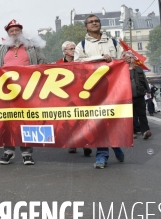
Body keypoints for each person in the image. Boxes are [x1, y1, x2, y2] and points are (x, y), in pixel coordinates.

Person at [0, 20, 45, 166]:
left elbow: (43, 63)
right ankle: (8, 151)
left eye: (16, 30)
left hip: (27, 89)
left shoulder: (32, 46)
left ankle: (27, 153)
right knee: (8, 121)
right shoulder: (2, 48)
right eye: (11, 31)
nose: (14, 33)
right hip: (7, 91)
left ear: (21, 31)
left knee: (25, 120)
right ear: (7, 34)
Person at [74, 14, 124, 169]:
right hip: (93, 89)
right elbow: (77, 65)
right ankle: (104, 154)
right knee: (99, 122)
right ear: (86, 26)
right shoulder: (81, 46)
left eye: (97, 21)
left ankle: (113, 146)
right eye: (91, 22)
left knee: (110, 120)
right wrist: (100, 58)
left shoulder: (113, 42)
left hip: (113, 87)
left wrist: (125, 59)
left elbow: (121, 60)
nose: (94, 23)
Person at [58, 41, 92, 156]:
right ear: (64, 51)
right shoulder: (58, 64)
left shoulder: (82, 62)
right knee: (70, 122)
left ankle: (85, 143)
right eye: (71, 49)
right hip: (66, 97)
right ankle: (72, 144)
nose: (73, 50)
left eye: (74, 48)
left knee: (83, 121)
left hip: (81, 96)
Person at [124, 52, 152, 140]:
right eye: (127, 57)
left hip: (139, 95)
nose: (129, 59)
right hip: (127, 97)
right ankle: (132, 131)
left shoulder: (138, 69)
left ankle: (145, 131)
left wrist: (148, 91)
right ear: (123, 58)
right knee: (129, 115)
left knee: (142, 114)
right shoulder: (121, 69)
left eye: (131, 57)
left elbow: (144, 80)